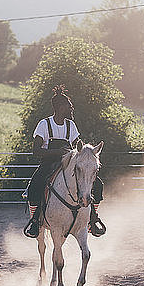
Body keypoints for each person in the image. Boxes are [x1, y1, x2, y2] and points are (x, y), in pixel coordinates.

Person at [23, 85, 104, 238]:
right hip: (48, 164)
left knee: (98, 184)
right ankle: (35, 220)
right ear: (60, 107)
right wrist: (57, 152)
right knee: (35, 185)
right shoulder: (44, 125)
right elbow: (36, 151)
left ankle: (93, 218)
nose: (71, 108)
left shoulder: (71, 125)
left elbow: (78, 146)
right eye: (68, 105)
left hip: (68, 165)